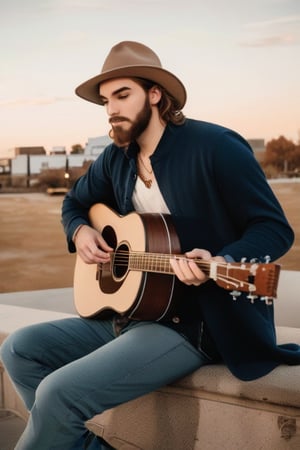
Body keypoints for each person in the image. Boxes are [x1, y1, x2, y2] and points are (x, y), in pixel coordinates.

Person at [1, 40, 300, 450]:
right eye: (106, 101)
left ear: (155, 94)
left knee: (58, 394)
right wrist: (80, 232)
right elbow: (75, 203)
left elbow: (274, 228)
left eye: (122, 95)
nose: (112, 109)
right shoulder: (116, 159)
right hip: (130, 313)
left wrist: (223, 259)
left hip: (194, 325)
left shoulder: (216, 147)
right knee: (20, 348)